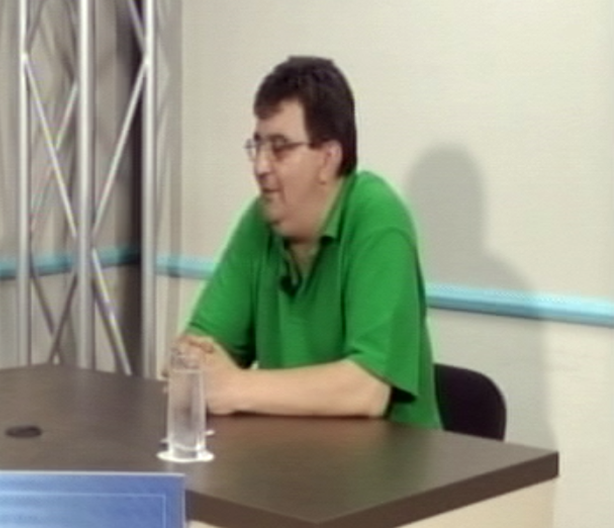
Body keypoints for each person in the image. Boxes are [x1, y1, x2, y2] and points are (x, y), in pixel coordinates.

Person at [178, 56, 440, 428]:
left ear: (328, 158)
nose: (260, 166)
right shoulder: (261, 219)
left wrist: (235, 386)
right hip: (287, 453)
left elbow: (367, 390)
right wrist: (194, 367)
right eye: (257, 146)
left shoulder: (378, 218)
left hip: (388, 461)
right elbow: (192, 354)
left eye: (280, 147)